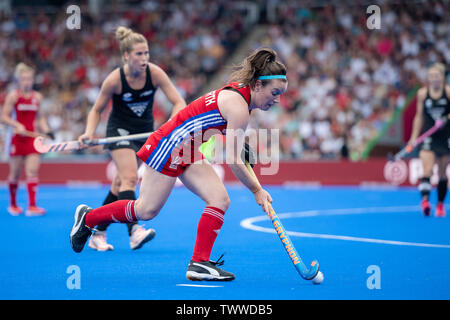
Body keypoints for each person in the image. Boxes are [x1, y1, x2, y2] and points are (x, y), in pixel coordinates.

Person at [70, 47, 287, 281]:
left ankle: (199, 263)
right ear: (257, 86)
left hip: (189, 149)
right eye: (274, 93)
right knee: (146, 210)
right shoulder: (239, 107)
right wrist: (256, 190)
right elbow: (233, 160)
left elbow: (228, 140)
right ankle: (88, 218)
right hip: (169, 145)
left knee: (219, 199)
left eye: (280, 95)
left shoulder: (242, 99)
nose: (276, 100)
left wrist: (253, 176)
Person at [78, 26, 186, 251]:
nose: (144, 58)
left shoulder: (154, 73)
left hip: (144, 132)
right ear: (126, 55)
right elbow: (97, 109)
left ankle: (97, 231)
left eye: (146, 53)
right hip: (119, 132)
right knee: (128, 178)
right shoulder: (114, 80)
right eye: (139, 54)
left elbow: (179, 103)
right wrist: (89, 132)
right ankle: (134, 231)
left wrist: (169, 126)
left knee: (119, 184)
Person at [1, 63, 53, 216]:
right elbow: (3, 116)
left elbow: (41, 118)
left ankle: (32, 206)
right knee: (15, 173)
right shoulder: (13, 96)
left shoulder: (37, 97)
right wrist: (16, 124)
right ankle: (13, 204)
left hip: (32, 139)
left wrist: (47, 130)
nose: (27, 82)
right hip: (16, 138)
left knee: (32, 171)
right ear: (19, 80)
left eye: (29, 79)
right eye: (24, 79)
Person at [408, 63, 450, 217]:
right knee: (427, 169)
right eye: (431, 76)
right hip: (429, 135)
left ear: (442, 78)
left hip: (445, 136)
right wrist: (413, 137)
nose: (434, 79)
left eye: (437, 76)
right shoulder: (422, 94)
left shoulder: (448, 92)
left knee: (442, 173)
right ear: (428, 79)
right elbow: (419, 116)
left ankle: (440, 205)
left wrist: (446, 118)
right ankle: (425, 202)